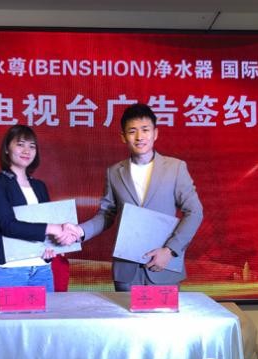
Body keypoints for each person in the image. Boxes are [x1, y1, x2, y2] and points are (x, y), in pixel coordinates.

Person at [66, 103, 203, 291]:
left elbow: (195, 212)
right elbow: (106, 214)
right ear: (123, 136)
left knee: (164, 312)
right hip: (127, 271)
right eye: (132, 131)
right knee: (125, 312)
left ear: (155, 133)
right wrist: (81, 231)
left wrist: (170, 250)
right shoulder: (114, 172)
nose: (139, 137)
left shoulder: (175, 168)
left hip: (163, 266)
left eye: (145, 130)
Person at [0, 125, 75, 293]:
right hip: (10, 269)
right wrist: (52, 228)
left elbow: (45, 222)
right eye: (20, 144)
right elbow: (7, 225)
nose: (27, 150)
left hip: (41, 267)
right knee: (12, 312)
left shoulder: (39, 186)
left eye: (32, 146)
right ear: (7, 149)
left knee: (45, 311)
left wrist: (52, 246)